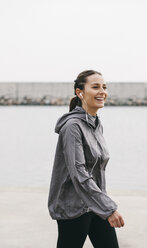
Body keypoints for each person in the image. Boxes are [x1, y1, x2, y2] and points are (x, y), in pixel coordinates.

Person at [48, 70, 125, 248]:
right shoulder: (72, 127)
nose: (102, 92)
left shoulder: (96, 124)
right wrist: (109, 208)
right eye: (95, 87)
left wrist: (102, 204)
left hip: (95, 205)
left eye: (104, 87)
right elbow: (79, 173)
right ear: (79, 92)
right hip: (73, 208)